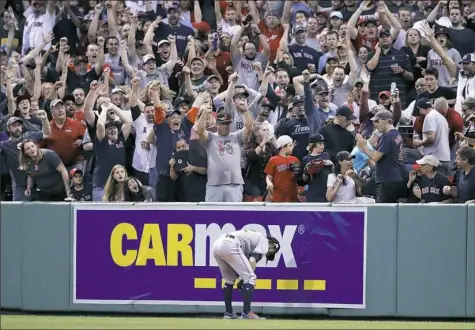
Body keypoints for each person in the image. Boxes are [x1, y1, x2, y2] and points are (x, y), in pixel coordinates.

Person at [212, 229, 280, 319]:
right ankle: (247, 313)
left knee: (229, 279)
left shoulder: (255, 238)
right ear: (272, 245)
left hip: (217, 244)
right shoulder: (265, 241)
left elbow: (242, 265)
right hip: (231, 244)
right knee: (251, 277)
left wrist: (242, 278)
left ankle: (229, 313)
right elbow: (252, 260)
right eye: (272, 251)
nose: (270, 252)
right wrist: (244, 279)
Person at [356, 109, 407, 203]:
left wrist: (364, 147)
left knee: (383, 212)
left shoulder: (386, 136)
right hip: (396, 177)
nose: (375, 124)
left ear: (388, 121)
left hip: (386, 180)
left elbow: (376, 157)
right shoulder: (396, 134)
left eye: (377, 121)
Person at [264, 135, 300, 203]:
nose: (292, 147)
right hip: (278, 197)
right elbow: (269, 176)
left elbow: (300, 178)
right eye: (290, 145)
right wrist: (269, 183)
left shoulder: (295, 159)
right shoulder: (273, 160)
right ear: (283, 147)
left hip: (292, 197)